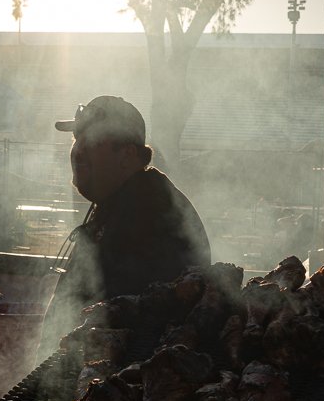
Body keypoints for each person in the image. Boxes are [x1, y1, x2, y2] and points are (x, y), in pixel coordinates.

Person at [38, 95, 211, 351]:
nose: (77, 150)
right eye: (76, 138)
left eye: (91, 139)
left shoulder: (148, 215)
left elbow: (127, 325)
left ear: (127, 155)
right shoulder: (120, 203)